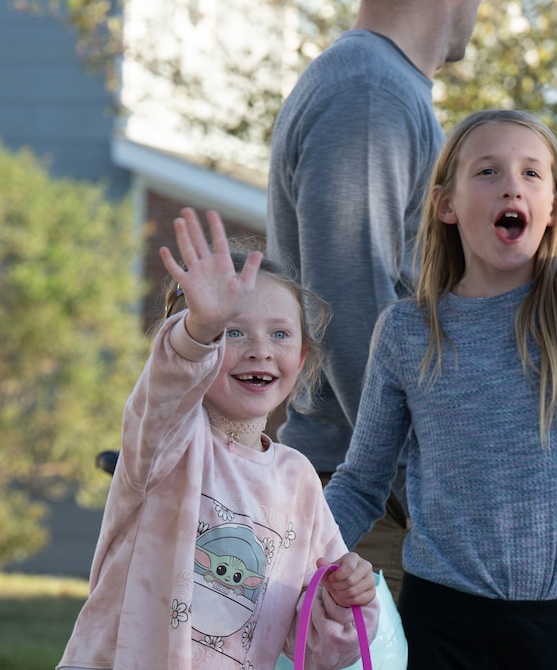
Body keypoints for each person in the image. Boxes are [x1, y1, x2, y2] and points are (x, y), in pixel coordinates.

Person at [324, 41, 557, 668]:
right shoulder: (408, 330)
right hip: (441, 617)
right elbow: (360, 483)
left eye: (530, 172)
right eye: (486, 171)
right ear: (446, 205)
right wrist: (280, 539)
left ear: (549, 209)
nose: (510, 185)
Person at [58, 208, 378, 670]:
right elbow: (165, 391)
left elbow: (319, 650)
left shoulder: (299, 481)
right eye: (233, 331)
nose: (260, 349)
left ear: (302, 357)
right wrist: (197, 332)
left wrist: (346, 598)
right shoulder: (167, 440)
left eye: (280, 334)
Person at [266, 0, 494, 597]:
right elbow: (350, 300)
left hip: (382, 500)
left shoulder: (382, 87)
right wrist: (428, 482)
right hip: (373, 506)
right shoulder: (369, 91)